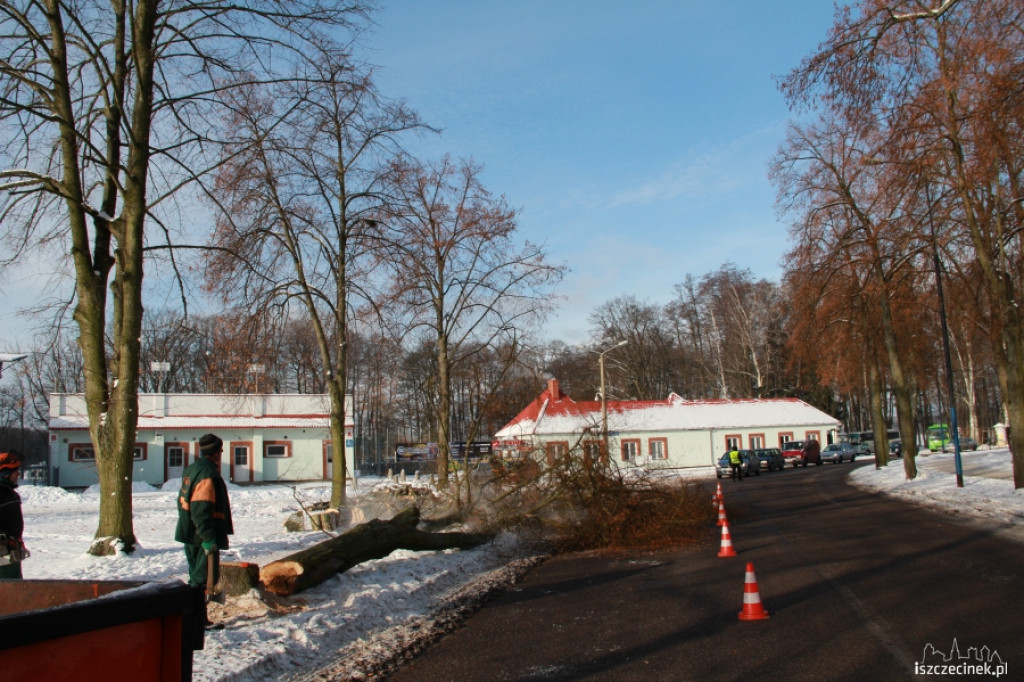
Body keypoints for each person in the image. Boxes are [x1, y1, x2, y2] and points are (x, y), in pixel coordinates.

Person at [175, 434, 234, 592]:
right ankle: (198, 607)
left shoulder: (192, 469)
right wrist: (208, 538)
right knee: (203, 581)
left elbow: (181, 502)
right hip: (202, 536)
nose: (220, 455)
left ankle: (193, 604)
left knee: (195, 577)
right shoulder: (207, 474)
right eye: (220, 451)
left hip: (191, 533)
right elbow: (201, 509)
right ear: (216, 453)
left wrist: (187, 523)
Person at [0, 450, 28, 579]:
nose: (18, 474)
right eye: (15, 471)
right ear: (5, 473)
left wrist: (19, 542)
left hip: (12, 550)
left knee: (16, 585)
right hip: (2, 552)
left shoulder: (12, 495)